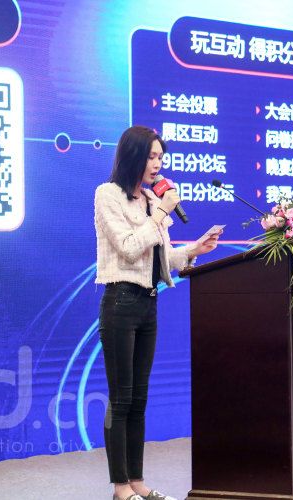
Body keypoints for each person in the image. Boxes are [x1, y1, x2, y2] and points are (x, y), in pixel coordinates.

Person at [94, 125, 220, 500]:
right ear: (133, 155)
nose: (157, 164)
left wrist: (194, 250)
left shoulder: (151, 200)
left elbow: (160, 258)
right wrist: (161, 212)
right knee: (121, 398)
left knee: (139, 399)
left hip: (148, 304)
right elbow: (129, 247)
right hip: (120, 302)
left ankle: (137, 481)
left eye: (161, 158)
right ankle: (120, 487)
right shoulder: (108, 195)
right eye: (151, 156)